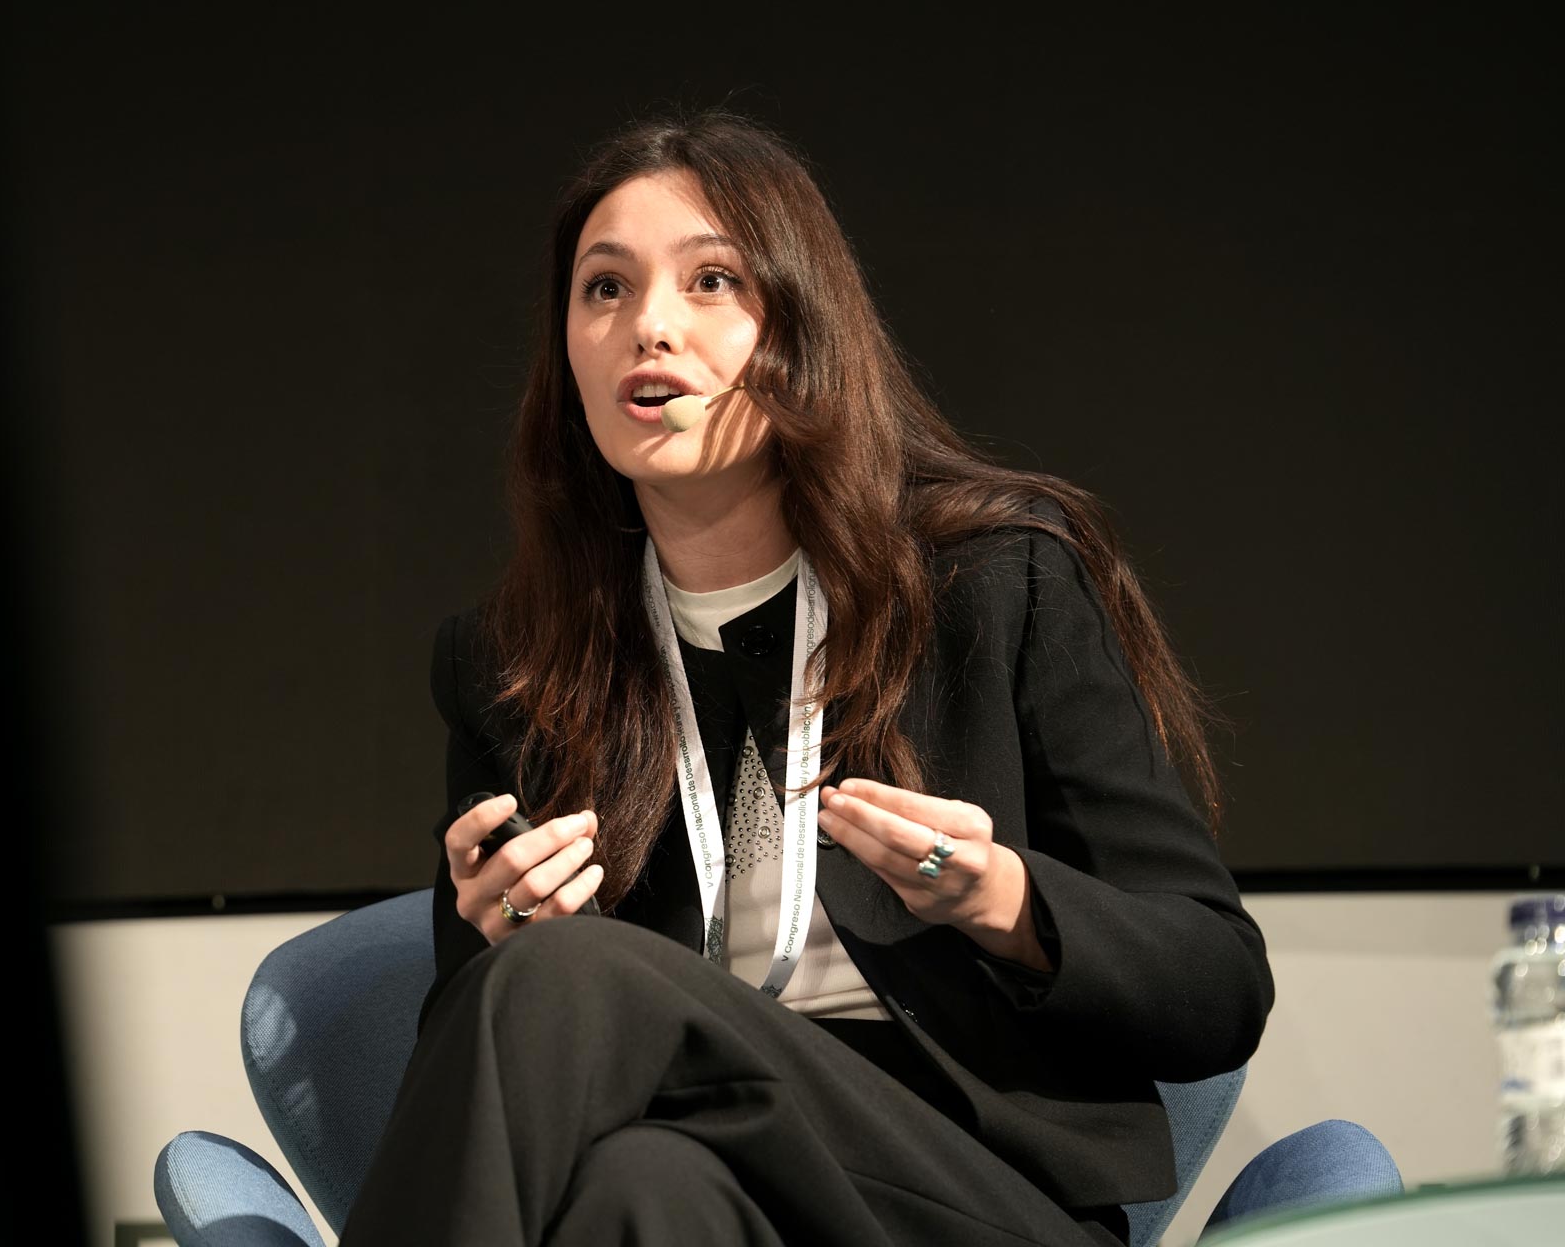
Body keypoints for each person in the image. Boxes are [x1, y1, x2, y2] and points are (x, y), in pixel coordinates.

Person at [340, 111, 1274, 1247]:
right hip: (710, 1182)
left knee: (572, 985)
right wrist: (496, 939)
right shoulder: (516, 664)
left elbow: (1217, 985)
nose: (650, 326)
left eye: (712, 281)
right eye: (605, 289)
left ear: (802, 328)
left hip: (970, 1195)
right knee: (638, 1182)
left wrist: (1000, 899)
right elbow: (469, 1061)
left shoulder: (994, 581)